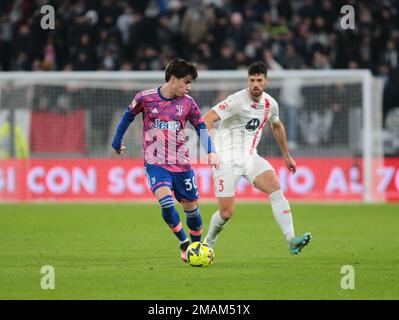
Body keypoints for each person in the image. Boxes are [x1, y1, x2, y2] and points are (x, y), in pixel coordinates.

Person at [111, 58, 219, 262]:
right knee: (167, 203)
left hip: (182, 163)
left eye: (190, 84)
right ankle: (185, 244)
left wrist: (211, 151)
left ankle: (197, 244)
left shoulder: (188, 103)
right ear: (173, 78)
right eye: (186, 82)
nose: (188, 87)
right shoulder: (146, 98)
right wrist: (117, 142)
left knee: (192, 209)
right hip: (156, 163)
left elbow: (201, 127)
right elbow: (128, 115)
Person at [203, 61, 311, 255]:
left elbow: (276, 126)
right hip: (226, 159)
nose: (255, 84)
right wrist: (211, 149)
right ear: (248, 80)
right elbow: (207, 119)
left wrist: (286, 155)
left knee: (275, 188)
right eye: (252, 80)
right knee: (227, 213)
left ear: (266, 81)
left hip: (250, 157)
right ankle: (208, 242)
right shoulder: (236, 101)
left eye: (259, 80)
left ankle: (291, 239)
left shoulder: (270, 104)